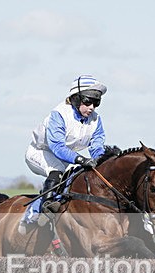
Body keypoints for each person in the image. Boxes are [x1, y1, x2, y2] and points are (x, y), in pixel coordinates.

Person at [25, 75, 107, 214]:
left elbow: (97, 145)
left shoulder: (96, 120)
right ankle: (39, 211)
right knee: (56, 171)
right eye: (88, 102)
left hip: (68, 158)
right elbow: (57, 147)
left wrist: (101, 160)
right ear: (76, 98)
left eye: (96, 103)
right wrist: (82, 159)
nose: (92, 107)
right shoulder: (59, 114)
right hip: (41, 152)